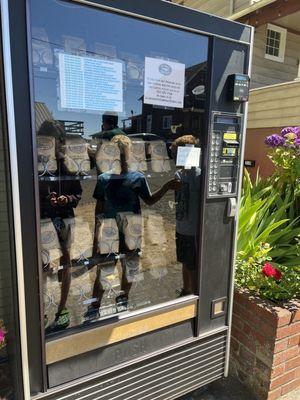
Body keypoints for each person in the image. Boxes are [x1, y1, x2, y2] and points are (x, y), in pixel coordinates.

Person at [85, 135, 181, 320]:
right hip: (120, 229)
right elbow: (100, 210)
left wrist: (167, 186)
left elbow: (100, 211)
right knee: (114, 267)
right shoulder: (111, 178)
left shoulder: (118, 178)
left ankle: (107, 303)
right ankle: (102, 304)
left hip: (119, 229)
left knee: (118, 267)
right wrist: (166, 187)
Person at [38, 120, 82, 334]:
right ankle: (41, 310)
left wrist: (67, 199)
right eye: (45, 140)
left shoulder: (69, 164)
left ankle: (62, 310)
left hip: (64, 219)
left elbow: (79, 193)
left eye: (54, 140)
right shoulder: (35, 162)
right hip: (42, 221)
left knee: (66, 261)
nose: (50, 144)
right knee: (42, 266)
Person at [171, 135, 201, 296]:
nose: (176, 156)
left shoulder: (200, 175)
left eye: (178, 153)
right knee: (184, 261)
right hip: (181, 227)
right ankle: (186, 289)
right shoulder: (178, 174)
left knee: (193, 265)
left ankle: (194, 294)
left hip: (193, 230)